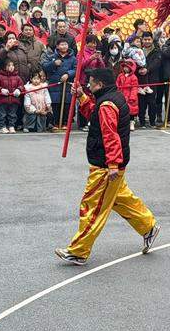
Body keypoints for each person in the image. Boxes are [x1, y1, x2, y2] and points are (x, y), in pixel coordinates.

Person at [55, 67, 160, 265]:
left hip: (105, 166)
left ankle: (78, 251)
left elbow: (110, 136)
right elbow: (93, 114)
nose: (88, 85)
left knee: (92, 207)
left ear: (100, 84)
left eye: (90, 83)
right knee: (121, 199)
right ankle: (148, 227)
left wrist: (112, 164)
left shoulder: (107, 105)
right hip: (111, 164)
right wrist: (81, 96)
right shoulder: (110, 98)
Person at [41, 40, 76, 129]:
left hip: (67, 85)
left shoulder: (72, 58)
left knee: (67, 105)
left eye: (65, 44)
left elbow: (76, 69)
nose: (64, 46)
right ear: (57, 46)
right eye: (62, 44)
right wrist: (53, 63)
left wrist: (68, 74)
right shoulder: (52, 56)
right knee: (55, 104)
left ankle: (65, 123)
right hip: (55, 85)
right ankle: (55, 123)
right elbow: (45, 66)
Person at [0, 59, 24, 133]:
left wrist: (19, 89)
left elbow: (22, 86)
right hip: (2, 100)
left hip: (14, 100)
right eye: (9, 65)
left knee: (12, 114)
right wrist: (1, 90)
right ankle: (2, 127)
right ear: (4, 67)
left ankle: (11, 126)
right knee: (2, 114)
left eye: (12, 65)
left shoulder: (17, 77)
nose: (11, 67)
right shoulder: (0, 77)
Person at [116, 60, 140, 130]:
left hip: (130, 96)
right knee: (121, 110)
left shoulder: (134, 77)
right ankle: (123, 124)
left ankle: (131, 123)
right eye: (124, 67)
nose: (125, 69)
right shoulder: (120, 76)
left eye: (127, 67)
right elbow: (117, 84)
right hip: (121, 95)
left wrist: (132, 97)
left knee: (131, 111)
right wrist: (117, 93)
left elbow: (134, 88)